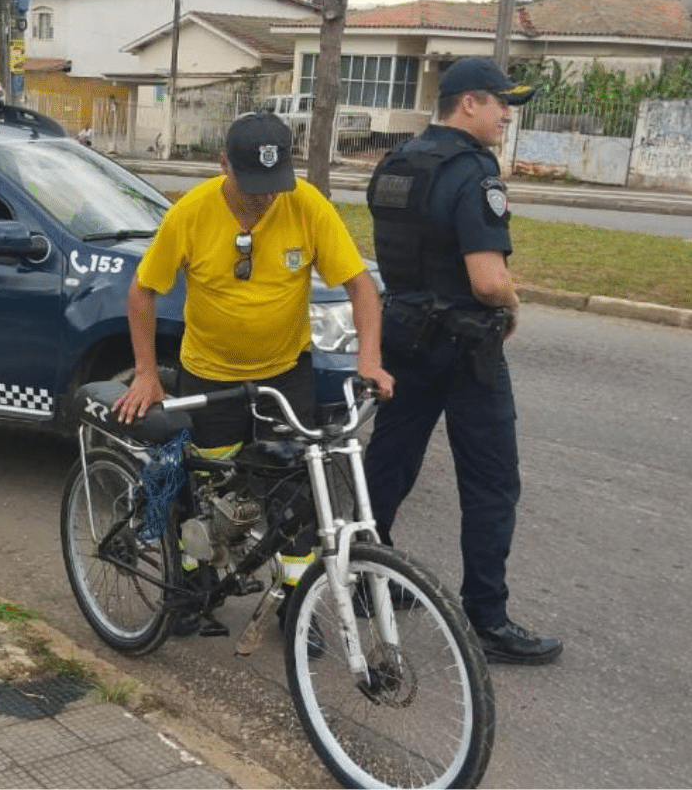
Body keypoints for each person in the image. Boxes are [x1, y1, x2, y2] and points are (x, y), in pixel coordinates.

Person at [114, 111, 393, 635]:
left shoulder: (305, 204)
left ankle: (296, 607)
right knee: (211, 493)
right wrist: (147, 372)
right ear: (224, 165)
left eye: (274, 184)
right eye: (253, 185)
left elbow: (360, 286)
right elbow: (142, 291)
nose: (266, 196)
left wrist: (369, 359)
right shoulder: (191, 213)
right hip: (210, 378)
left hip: (284, 376)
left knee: (294, 492)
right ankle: (194, 587)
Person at [363, 57, 563, 665]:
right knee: (491, 481)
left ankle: (364, 577)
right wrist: (513, 301)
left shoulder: (397, 162)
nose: (508, 115)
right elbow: (485, 278)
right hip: (465, 345)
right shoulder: (475, 172)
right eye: (501, 103)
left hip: (404, 335)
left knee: (390, 461)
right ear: (466, 104)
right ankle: (487, 618)